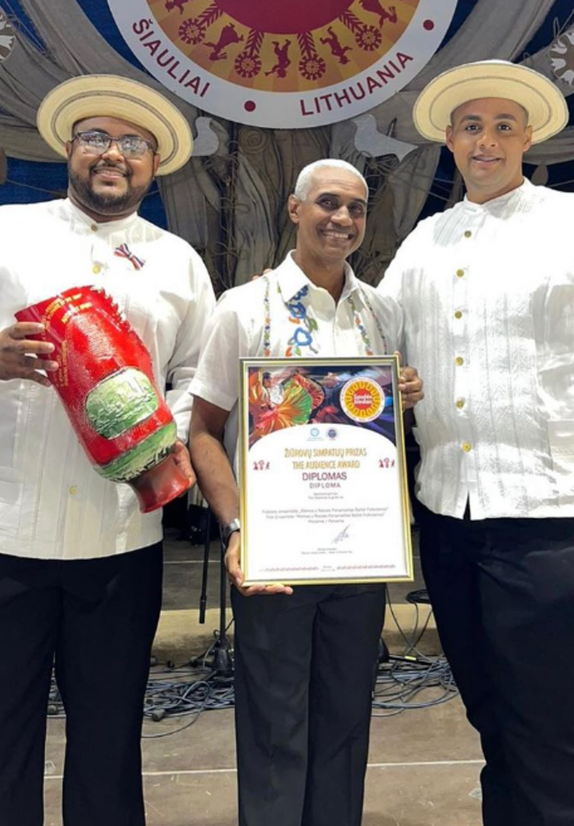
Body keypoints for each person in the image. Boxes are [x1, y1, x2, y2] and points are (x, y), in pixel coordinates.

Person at [0, 74, 215, 826]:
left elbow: (200, 372)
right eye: (96, 138)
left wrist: (160, 426)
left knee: (109, 742)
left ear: (155, 165)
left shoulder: (177, 261)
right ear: (68, 151)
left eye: (132, 143)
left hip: (116, 537)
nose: (113, 154)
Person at [380, 59, 574, 825]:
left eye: (503, 126)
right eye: (472, 126)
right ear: (449, 139)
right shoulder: (421, 242)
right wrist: (395, 381)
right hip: (450, 517)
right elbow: (376, 346)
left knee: (550, 722)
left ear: (528, 137)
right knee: (490, 715)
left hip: (553, 516)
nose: (487, 141)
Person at [189, 159, 423, 826]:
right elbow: (202, 431)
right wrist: (239, 530)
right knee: (273, 724)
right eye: (326, 203)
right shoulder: (242, 307)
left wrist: (404, 395)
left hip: (357, 555)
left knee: (346, 719)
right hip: (274, 558)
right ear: (294, 210)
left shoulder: (382, 314)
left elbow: (375, 431)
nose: (341, 219)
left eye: (355, 208)